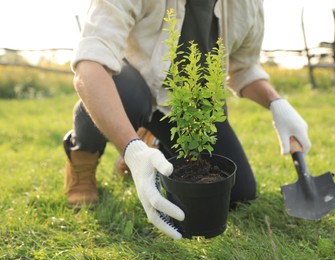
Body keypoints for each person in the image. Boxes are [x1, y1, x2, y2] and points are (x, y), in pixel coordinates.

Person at [63, 0, 311, 240]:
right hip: (138, 87)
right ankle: (84, 158)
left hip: (191, 108)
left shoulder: (248, 4)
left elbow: (244, 68)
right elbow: (90, 63)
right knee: (122, 91)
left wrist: (277, 102)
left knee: (239, 191)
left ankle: (153, 141)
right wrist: (132, 151)